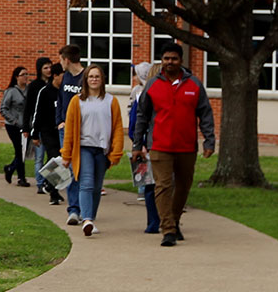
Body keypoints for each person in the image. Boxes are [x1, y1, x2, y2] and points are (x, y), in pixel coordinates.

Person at [133, 44, 216, 247]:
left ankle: (175, 220)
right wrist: (137, 144)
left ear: (181, 61)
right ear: (162, 60)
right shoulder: (152, 84)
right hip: (159, 145)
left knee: (183, 186)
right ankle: (168, 230)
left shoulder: (194, 84)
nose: (170, 62)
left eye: (174, 59)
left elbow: (205, 113)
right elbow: (142, 116)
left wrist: (209, 140)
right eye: (166, 58)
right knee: (163, 186)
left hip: (187, 145)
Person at [61, 66, 124, 237]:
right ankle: (87, 219)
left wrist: (116, 152)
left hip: (102, 149)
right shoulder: (77, 101)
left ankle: (90, 218)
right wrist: (66, 154)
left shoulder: (111, 101)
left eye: (97, 76)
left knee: (96, 187)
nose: (94, 79)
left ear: (102, 79)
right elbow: (69, 131)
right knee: (86, 183)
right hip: (83, 148)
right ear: (86, 79)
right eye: (91, 76)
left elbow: (117, 127)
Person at [26, 59, 66, 205]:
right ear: (55, 76)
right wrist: (34, 134)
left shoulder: (64, 92)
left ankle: (51, 185)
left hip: (62, 131)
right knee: (54, 159)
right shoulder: (44, 92)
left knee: (62, 161)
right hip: (48, 132)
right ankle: (53, 194)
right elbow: (38, 114)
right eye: (62, 75)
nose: (64, 79)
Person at [126, 60, 159, 234]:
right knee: (151, 185)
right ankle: (154, 221)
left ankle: (163, 220)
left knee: (157, 185)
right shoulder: (142, 95)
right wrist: (140, 144)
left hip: (162, 145)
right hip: (149, 145)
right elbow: (136, 121)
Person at [0, 63, 33, 187]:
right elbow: (3, 109)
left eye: (27, 74)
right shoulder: (11, 91)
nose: (25, 77)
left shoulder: (30, 90)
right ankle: (21, 178)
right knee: (19, 150)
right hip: (13, 125)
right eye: (22, 75)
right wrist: (15, 121)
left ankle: (10, 168)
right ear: (16, 77)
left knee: (23, 151)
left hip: (27, 125)